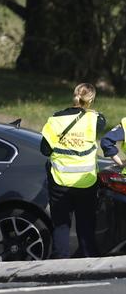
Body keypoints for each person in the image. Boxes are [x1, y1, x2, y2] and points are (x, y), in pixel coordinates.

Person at [40, 83, 104, 259]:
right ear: (91, 99)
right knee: (86, 226)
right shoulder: (97, 119)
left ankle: (60, 267)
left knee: (61, 226)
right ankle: (90, 263)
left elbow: (45, 150)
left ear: (74, 95)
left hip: (60, 182)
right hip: (86, 182)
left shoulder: (55, 120)